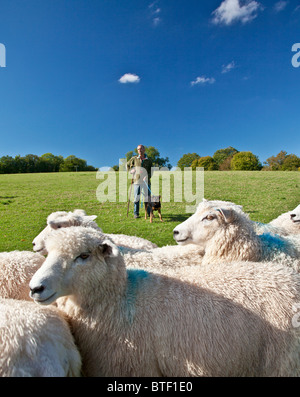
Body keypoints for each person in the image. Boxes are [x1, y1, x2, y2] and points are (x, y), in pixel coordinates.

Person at [127, 145, 152, 219]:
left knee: (147, 198)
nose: (139, 150)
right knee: (136, 198)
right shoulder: (134, 159)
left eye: (141, 149)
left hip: (146, 181)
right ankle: (136, 214)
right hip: (137, 181)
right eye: (138, 149)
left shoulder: (149, 160)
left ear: (144, 150)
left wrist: (147, 176)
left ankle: (149, 213)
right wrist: (131, 171)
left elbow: (152, 171)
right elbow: (127, 165)